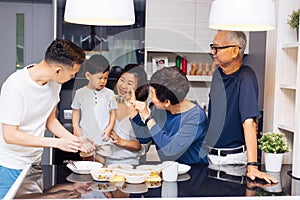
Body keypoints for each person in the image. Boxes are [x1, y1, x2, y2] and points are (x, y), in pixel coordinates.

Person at [0, 38, 94, 199]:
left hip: (34, 163)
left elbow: (50, 121)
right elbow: (10, 135)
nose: (72, 78)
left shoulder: (54, 83)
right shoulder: (15, 86)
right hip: (10, 165)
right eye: (72, 74)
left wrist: (76, 141)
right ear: (58, 70)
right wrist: (56, 143)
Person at [206, 30, 278, 183]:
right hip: (212, 158)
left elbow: (249, 122)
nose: (212, 52)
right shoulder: (217, 75)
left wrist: (252, 166)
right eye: (212, 47)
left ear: (234, 51)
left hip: (233, 161)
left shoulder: (246, 76)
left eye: (217, 48)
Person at [129, 66, 208, 165]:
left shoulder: (196, 117)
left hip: (194, 171)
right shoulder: (158, 109)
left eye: (153, 94)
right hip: (168, 168)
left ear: (167, 102)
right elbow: (145, 138)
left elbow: (170, 150)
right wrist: (133, 113)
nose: (150, 96)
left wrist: (148, 117)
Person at [71, 54, 117, 164]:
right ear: (88, 76)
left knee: (101, 162)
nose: (103, 81)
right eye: (99, 78)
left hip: (103, 137)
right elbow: (75, 113)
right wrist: (76, 128)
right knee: (87, 162)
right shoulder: (80, 93)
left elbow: (113, 113)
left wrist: (109, 128)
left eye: (105, 78)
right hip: (85, 136)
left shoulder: (110, 94)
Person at [106, 64, 150, 165]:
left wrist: (122, 142)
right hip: (104, 163)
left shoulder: (142, 110)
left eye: (130, 83)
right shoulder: (107, 101)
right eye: (122, 80)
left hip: (131, 164)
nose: (123, 86)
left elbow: (144, 146)